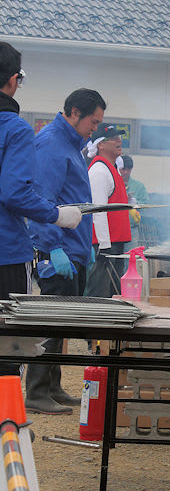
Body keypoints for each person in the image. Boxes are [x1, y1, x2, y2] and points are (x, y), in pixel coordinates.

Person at [0, 44, 83, 377]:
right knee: (8, 345)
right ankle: (9, 425)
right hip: (5, 253)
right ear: (13, 79)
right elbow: (15, 192)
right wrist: (57, 215)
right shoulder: (16, 128)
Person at [28, 87, 106, 414]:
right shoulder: (51, 144)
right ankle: (34, 392)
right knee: (49, 322)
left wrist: (85, 245)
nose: (96, 128)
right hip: (57, 250)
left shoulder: (72, 145)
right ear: (74, 112)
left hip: (73, 247)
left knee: (61, 323)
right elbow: (42, 201)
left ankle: (53, 385)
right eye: (93, 120)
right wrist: (52, 247)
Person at [84, 123, 132, 298]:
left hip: (114, 243)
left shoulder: (112, 168)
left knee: (113, 293)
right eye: (112, 139)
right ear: (100, 145)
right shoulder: (99, 171)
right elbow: (98, 211)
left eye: (118, 137)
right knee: (101, 294)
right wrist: (103, 248)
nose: (118, 141)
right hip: (104, 246)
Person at [120, 154, 148, 247]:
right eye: (123, 169)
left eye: (128, 169)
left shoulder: (139, 186)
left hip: (132, 228)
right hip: (116, 228)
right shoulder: (113, 184)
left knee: (130, 257)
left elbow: (146, 204)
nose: (125, 172)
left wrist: (134, 202)